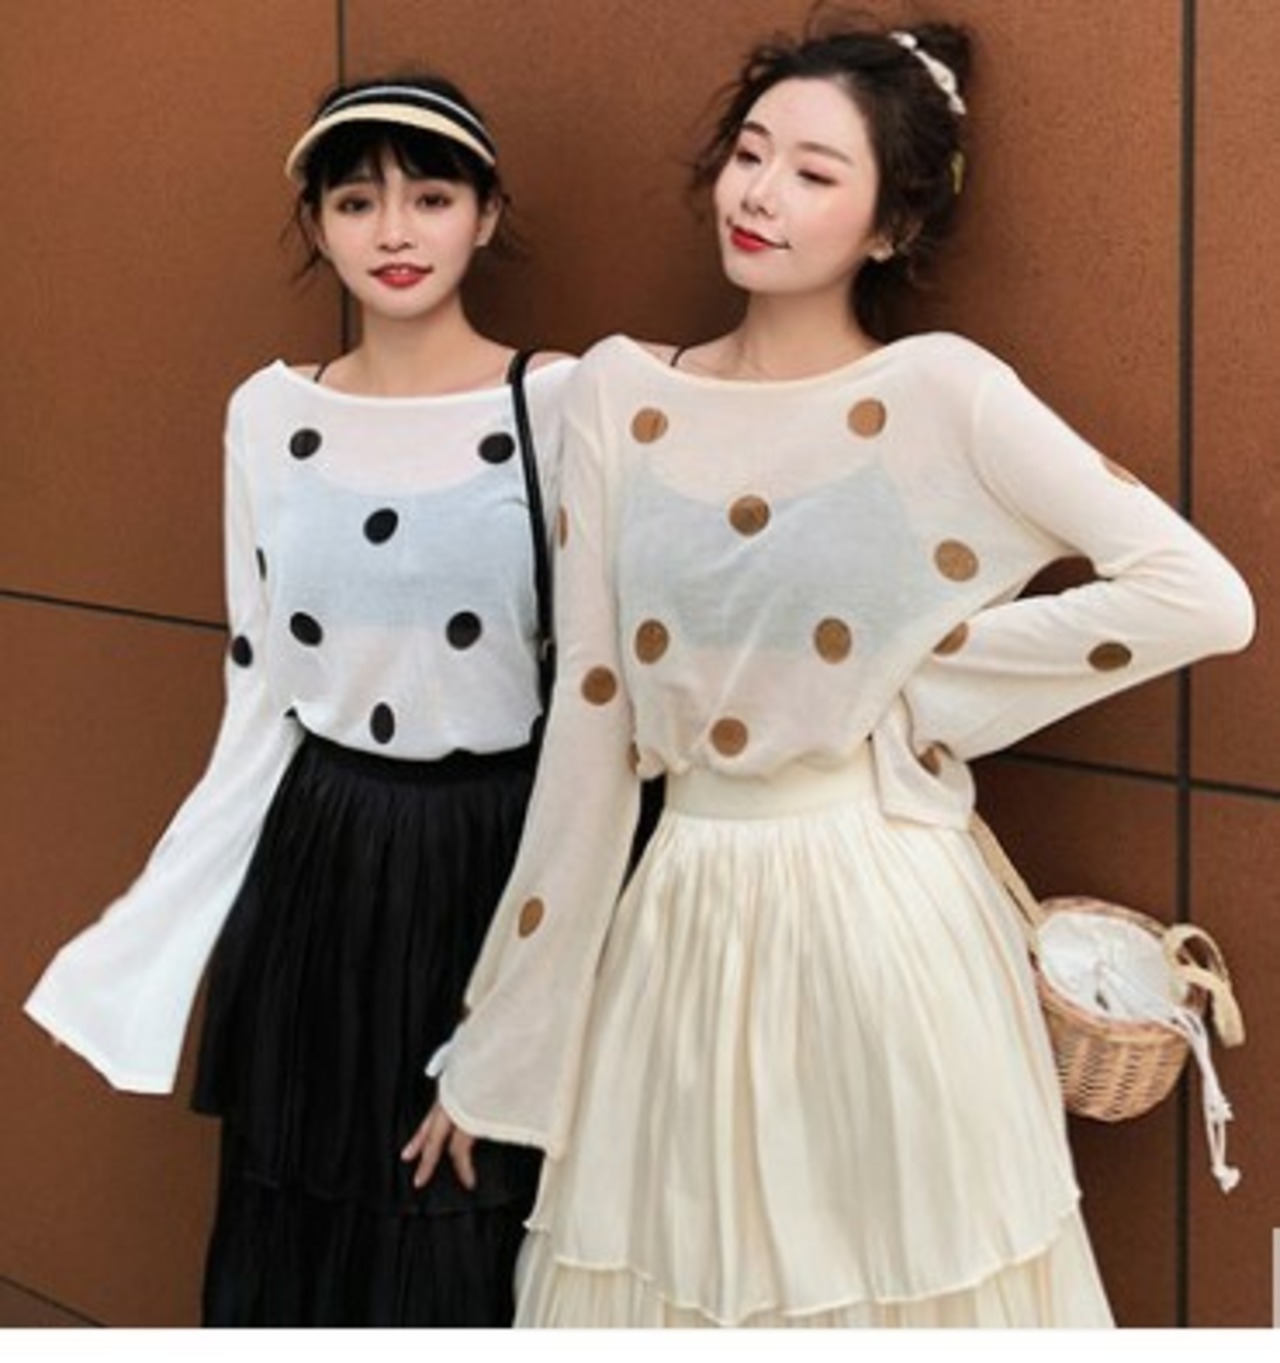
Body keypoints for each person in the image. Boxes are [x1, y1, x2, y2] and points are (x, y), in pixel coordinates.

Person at [404, 16, 1256, 1328]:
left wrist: (908, 689)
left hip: (880, 916)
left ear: (892, 225)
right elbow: (589, 726)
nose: (759, 193)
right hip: (683, 911)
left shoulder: (940, 392)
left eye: (813, 172)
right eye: (750, 153)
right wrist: (501, 1042)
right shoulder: (617, 397)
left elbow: (1198, 595)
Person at [25, 74, 574, 1326]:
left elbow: (600, 698)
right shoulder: (269, 413)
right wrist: (163, 914)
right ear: (315, 224)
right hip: (321, 856)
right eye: (355, 201)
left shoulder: (560, 402)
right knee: (296, 1225)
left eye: (430, 196)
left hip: (488, 853)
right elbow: (260, 682)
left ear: (486, 215)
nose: (394, 231)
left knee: (461, 1226)